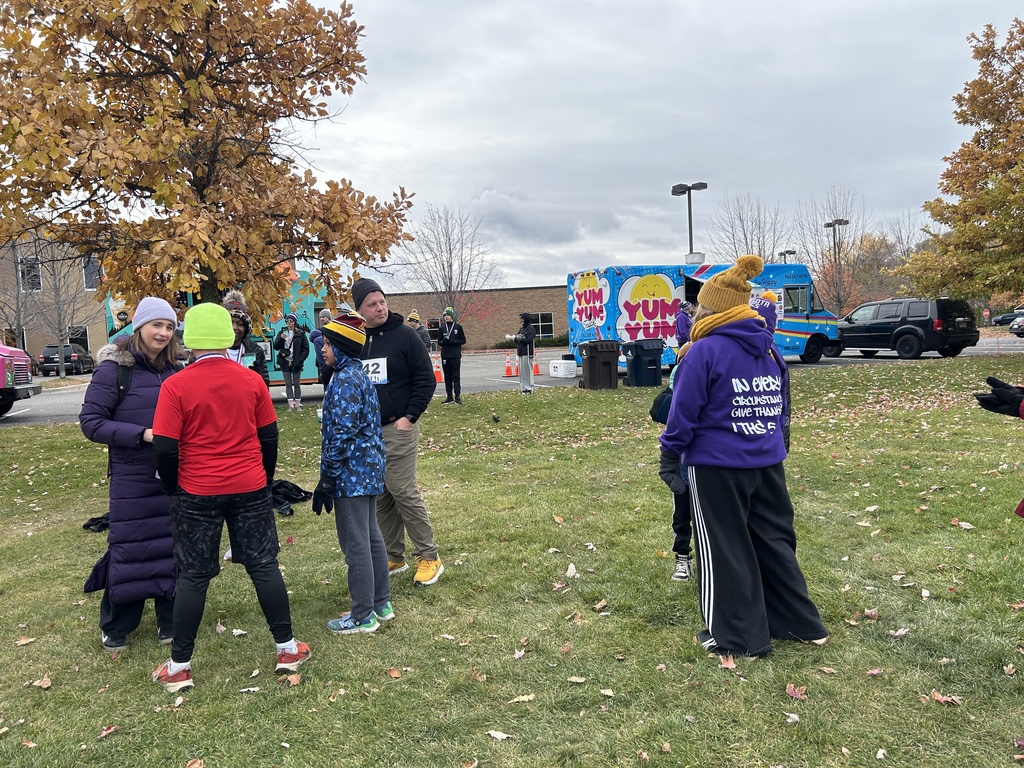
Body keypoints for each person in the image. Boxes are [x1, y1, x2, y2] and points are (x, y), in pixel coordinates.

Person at [659, 255, 827, 658]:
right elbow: (780, 406)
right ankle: (800, 624)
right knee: (774, 541)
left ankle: (735, 636)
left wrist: (669, 455)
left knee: (724, 548)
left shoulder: (703, 351)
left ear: (711, 308)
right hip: (767, 461)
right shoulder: (769, 350)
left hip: (717, 466)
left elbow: (683, 414)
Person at [151, 302, 309, 692]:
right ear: (227, 336)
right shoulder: (251, 380)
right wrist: (264, 480)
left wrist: (172, 485)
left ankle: (179, 666)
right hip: (249, 485)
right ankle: (287, 648)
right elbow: (269, 437)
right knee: (263, 566)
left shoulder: (175, 385)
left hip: (196, 489)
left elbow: (165, 447)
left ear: (189, 340)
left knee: (193, 576)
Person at [80, 297, 184, 652]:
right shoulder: (114, 370)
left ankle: (170, 620)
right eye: (157, 325)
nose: (163, 333)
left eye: (169, 327)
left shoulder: (176, 370)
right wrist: (142, 434)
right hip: (133, 476)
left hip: (173, 473)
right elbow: (91, 423)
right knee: (132, 546)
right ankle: (117, 625)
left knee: (171, 545)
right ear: (140, 326)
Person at [351, 277, 443, 586]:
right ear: (359, 310)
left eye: (382, 301)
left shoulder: (405, 336)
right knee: (381, 495)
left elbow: (425, 379)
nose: (380, 308)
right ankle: (393, 556)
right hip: (369, 431)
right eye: (371, 304)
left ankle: (429, 556)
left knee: (401, 489)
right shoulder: (357, 339)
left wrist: (410, 416)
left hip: (398, 426)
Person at [313, 313, 392, 634]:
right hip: (368, 471)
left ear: (343, 348)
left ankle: (362, 615)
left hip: (351, 475)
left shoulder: (345, 380)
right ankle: (381, 603)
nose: (323, 349)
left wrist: (327, 477)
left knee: (355, 543)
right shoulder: (356, 375)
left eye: (328, 345)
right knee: (371, 536)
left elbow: (342, 433)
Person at [222, 290, 270, 388]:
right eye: (230, 323)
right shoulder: (210, 349)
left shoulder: (255, 350)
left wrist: (257, 377)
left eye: (240, 324)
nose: (234, 327)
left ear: (246, 329)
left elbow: (264, 386)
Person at [274, 313, 309, 410]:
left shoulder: (300, 334)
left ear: (295, 322)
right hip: (285, 361)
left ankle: (297, 405)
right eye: (287, 321)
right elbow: (276, 347)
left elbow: (306, 349)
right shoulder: (282, 332)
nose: (289, 323)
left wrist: (300, 359)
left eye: (291, 321)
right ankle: (290, 405)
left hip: (296, 362)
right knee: (288, 383)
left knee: (297, 383)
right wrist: (281, 339)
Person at [438, 306, 466, 404]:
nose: (446, 317)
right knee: (447, 376)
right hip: (445, 355)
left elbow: (463, 340)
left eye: (448, 315)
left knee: (456, 376)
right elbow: (439, 342)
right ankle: (449, 396)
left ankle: (457, 396)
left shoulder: (458, 327)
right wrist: (443, 341)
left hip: (455, 355)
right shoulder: (442, 328)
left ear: (452, 316)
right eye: (445, 315)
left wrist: (453, 341)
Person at [309, 308, 333, 385]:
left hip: (331, 363)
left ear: (328, 317)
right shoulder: (322, 331)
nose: (321, 319)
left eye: (323, 317)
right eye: (320, 317)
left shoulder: (333, 329)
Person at [514, 312, 536, 394]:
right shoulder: (522, 329)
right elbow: (516, 338)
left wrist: (520, 339)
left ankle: (529, 388)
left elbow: (529, 340)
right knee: (522, 372)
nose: (521, 321)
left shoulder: (530, 328)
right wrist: (517, 338)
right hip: (521, 352)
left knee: (527, 371)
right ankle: (523, 387)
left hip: (527, 352)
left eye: (522, 319)